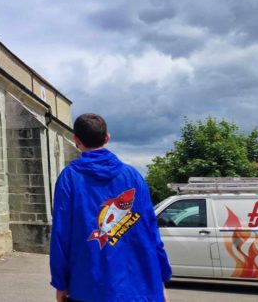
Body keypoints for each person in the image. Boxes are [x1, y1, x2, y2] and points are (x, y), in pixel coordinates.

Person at [49, 113, 171, 302]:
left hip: (88, 286)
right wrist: (161, 278)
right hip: (137, 288)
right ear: (107, 138)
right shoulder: (133, 177)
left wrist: (60, 283)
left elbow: (60, 234)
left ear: (76, 140)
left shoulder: (69, 178)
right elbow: (150, 231)